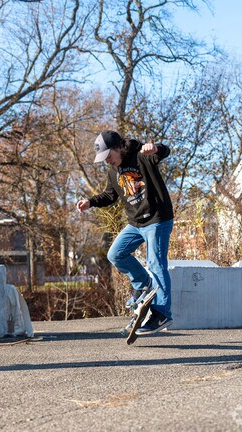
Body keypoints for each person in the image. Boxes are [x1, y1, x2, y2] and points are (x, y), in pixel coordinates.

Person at [76, 130, 174, 336]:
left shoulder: (141, 155)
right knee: (115, 254)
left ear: (119, 147)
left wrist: (156, 147)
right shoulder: (113, 171)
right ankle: (143, 284)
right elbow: (110, 195)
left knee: (156, 264)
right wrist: (90, 202)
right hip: (135, 224)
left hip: (157, 219)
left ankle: (162, 313)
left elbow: (164, 152)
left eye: (109, 156)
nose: (108, 162)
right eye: (104, 159)